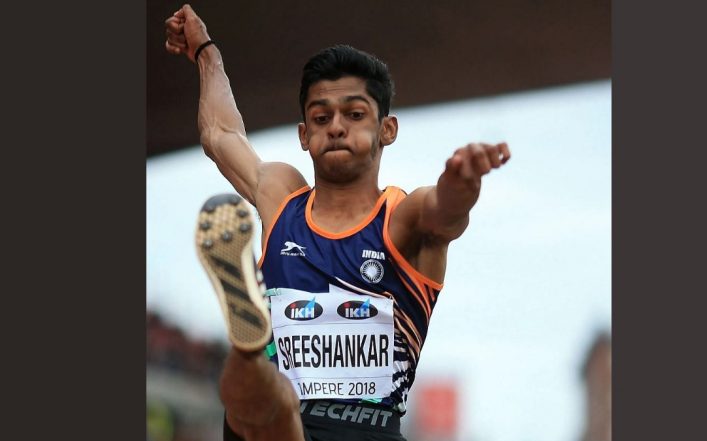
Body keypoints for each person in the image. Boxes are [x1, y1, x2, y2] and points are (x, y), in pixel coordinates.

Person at [165, 4, 511, 441]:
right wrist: (206, 53)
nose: (336, 128)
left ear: (387, 129)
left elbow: (447, 210)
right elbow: (221, 136)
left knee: (265, 394)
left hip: (368, 429)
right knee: (263, 392)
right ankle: (249, 339)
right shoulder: (282, 199)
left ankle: (252, 347)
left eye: (354, 114)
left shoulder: (403, 219)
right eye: (321, 117)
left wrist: (465, 180)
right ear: (304, 135)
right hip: (276, 420)